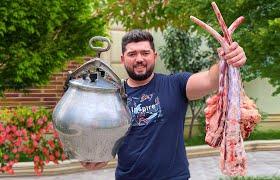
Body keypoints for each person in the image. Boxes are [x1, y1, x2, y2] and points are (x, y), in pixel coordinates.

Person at [81, 29, 246, 179]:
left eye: (145, 53)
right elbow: (106, 140)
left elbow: (211, 79)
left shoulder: (175, 85)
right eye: (132, 54)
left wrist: (227, 60)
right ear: (123, 59)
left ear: (155, 56)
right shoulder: (113, 96)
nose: (139, 59)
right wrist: (97, 157)